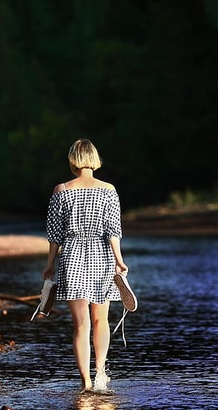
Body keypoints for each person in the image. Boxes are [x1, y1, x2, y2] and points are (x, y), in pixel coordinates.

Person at [42, 138, 128, 391]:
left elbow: (55, 234)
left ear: (73, 160)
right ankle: (101, 372)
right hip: (102, 255)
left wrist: (49, 265)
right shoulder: (109, 190)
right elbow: (114, 231)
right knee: (101, 320)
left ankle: (86, 383)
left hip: (72, 255)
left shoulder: (62, 190)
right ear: (94, 159)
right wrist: (119, 260)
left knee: (80, 324)